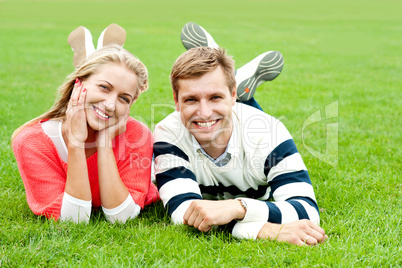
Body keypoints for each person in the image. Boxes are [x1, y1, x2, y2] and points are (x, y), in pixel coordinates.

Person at [153, 22, 327, 246]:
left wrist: (238, 207)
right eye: (191, 99)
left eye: (215, 97)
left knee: (246, 128)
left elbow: (306, 210)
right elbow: (183, 213)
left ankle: (226, 69)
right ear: (176, 102)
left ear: (233, 95)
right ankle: (222, 67)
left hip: (249, 127)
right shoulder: (168, 133)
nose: (204, 112)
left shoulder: (270, 132)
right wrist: (265, 230)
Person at [11, 24, 159, 224]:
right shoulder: (32, 141)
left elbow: (120, 217)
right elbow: (75, 219)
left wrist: (105, 143)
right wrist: (76, 142)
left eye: (124, 98)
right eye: (104, 87)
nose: (110, 104)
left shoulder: (136, 134)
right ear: (79, 84)